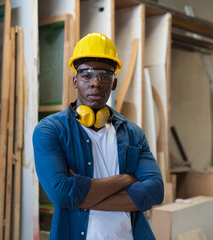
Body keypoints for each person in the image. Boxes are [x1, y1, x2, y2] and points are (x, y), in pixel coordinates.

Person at [33, 32, 164, 240]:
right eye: (87, 75)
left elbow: (155, 191)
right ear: (75, 81)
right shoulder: (51, 130)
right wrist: (126, 179)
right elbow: (62, 194)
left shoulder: (133, 134)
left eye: (105, 75)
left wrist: (81, 196)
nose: (96, 82)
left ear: (114, 83)